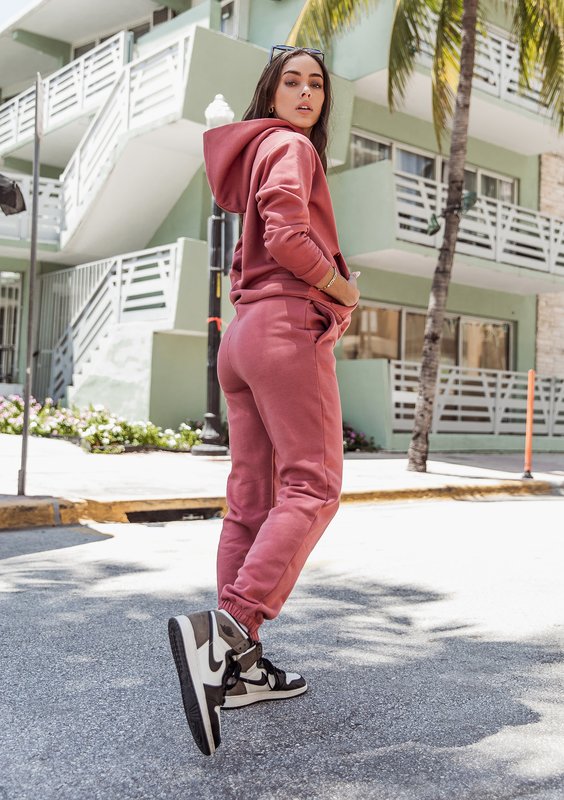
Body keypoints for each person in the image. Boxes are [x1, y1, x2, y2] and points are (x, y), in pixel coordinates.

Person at [168, 45, 360, 757]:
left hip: (243, 332)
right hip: (283, 327)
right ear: (270, 94)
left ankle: (240, 670)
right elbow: (286, 234)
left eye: (317, 84)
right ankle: (229, 629)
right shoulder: (290, 146)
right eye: (292, 81)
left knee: (250, 502)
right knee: (314, 486)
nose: (306, 93)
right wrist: (341, 288)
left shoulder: (252, 154)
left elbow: (252, 244)